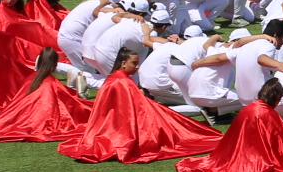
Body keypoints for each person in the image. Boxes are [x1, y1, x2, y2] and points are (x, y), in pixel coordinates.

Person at [59, 50, 224, 163]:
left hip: (113, 126)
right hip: (124, 128)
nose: (137, 67)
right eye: (134, 63)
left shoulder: (116, 78)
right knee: (173, 121)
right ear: (123, 63)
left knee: (170, 116)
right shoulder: (122, 81)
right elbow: (133, 109)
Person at [0, 47, 92, 143]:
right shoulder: (50, 83)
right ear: (55, 65)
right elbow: (66, 102)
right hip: (39, 120)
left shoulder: (32, 78)